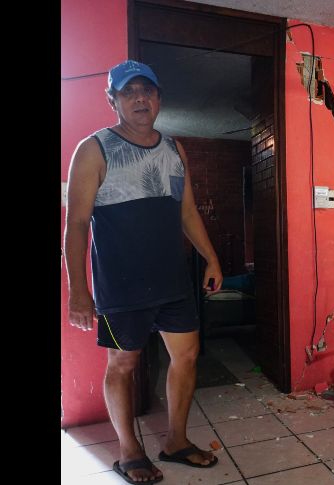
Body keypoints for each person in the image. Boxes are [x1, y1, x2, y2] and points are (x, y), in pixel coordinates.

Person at [64, 60, 223, 484]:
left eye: (147, 91)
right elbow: (76, 223)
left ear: (158, 99)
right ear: (113, 99)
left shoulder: (174, 148)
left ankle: (176, 441)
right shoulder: (93, 149)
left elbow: (186, 210)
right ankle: (130, 452)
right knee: (122, 365)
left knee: (186, 356)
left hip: (172, 281)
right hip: (121, 285)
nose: (140, 98)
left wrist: (211, 257)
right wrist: (78, 292)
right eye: (129, 91)